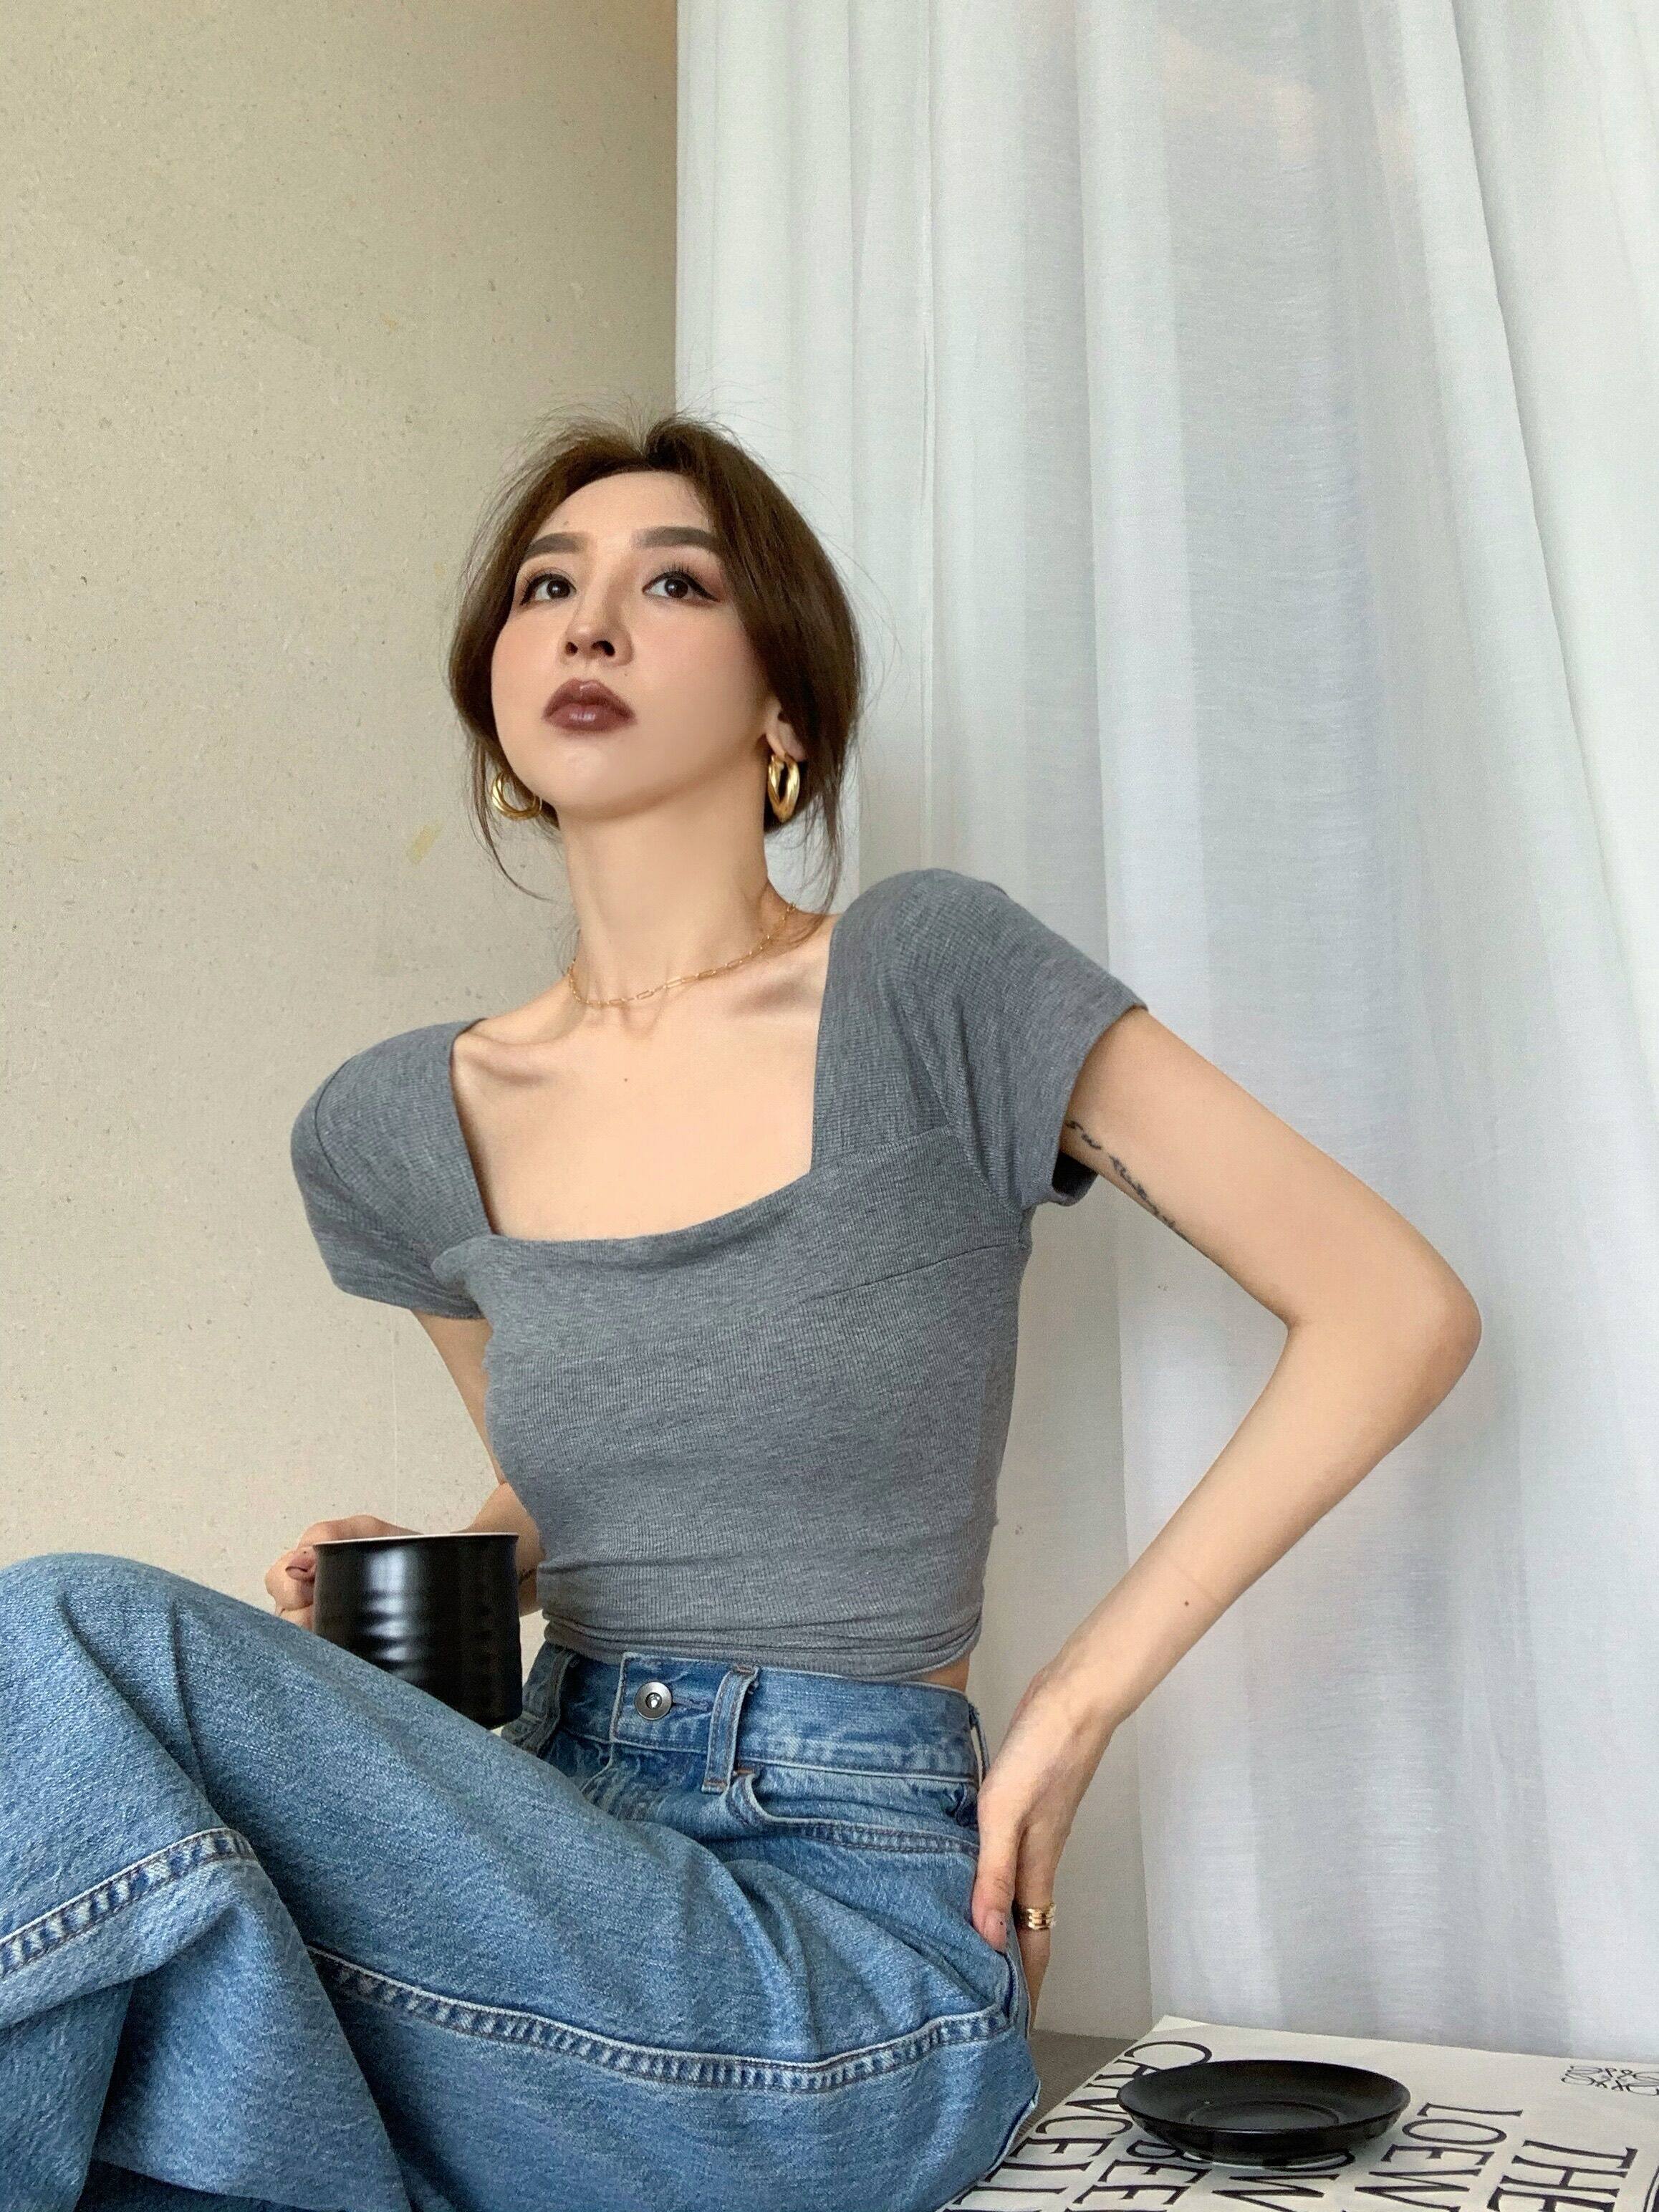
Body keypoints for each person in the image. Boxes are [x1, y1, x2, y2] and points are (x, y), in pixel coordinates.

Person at [0, 410, 1481, 2212]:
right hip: (540, 1864)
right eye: (547, 586)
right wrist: (442, 1565)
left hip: (839, 1954)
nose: (589, 621)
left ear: (786, 709)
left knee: (63, 1632)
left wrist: (1074, 1704)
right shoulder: (392, 1125)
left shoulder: (930, 980)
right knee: (135, 2012)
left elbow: (1391, 1305)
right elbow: (563, 1493)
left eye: (674, 584)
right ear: (495, 699)